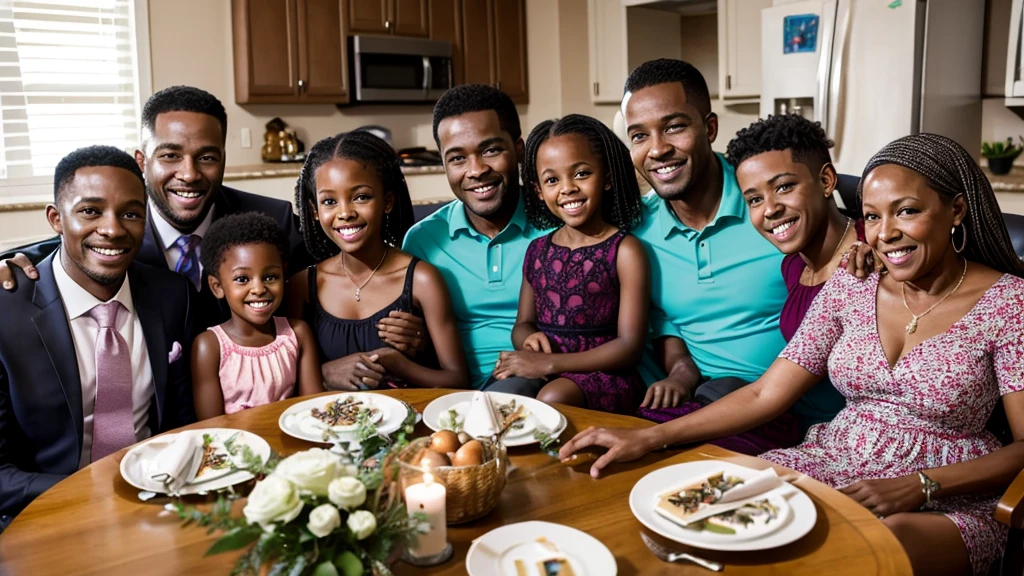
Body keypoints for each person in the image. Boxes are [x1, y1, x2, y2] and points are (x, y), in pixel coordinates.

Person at [561, 133, 1024, 576]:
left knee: (872, 546)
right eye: (873, 217)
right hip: (833, 458)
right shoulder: (854, 281)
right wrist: (649, 439)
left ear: (956, 209)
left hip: (952, 491)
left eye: (906, 212)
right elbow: (767, 393)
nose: (886, 234)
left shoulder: (1011, 303)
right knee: (706, 504)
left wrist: (921, 484)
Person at [0, 86, 315, 331]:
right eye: (170, 156)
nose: (189, 174)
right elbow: (69, 247)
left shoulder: (274, 220)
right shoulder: (116, 234)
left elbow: (335, 277)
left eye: (206, 157)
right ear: (142, 162)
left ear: (222, 159)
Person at [0, 146, 195, 527]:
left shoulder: (173, 296)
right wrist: (100, 491)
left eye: (131, 214)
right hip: (48, 514)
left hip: (159, 505)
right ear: (56, 219)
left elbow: (183, 423)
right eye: (90, 211)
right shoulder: (6, 313)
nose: (113, 229)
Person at [624, 59, 801, 453]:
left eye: (674, 126)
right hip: (706, 402)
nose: (657, 149)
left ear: (710, 128)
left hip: (795, 412)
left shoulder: (770, 206)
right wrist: (681, 367)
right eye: (639, 136)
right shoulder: (636, 233)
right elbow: (663, 315)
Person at [286, 130, 468, 390]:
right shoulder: (301, 287)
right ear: (315, 212)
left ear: (387, 202)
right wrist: (324, 372)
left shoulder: (422, 280)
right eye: (329, 201)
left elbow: (458, 381)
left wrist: (396, 362)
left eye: (361, 197)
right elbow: (283, 379)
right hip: (327, 426)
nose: (345, 212)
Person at [493, 115, 648, 413]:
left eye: (581, 174)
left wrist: (550, 362)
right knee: (501, 396)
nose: (567, 188)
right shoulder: (537, 250)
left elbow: (630, 346)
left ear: (607, 177)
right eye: (552, 180)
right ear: (539, 191)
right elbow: (522, 324)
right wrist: (529, 341)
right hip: (546, 367)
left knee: (552, 400)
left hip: (605, 374)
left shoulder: (625, 250)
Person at [402, 84, 548, 393]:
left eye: (491, 150)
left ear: (519, 151)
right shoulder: (422, 241)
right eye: (457, 158)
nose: (476, 170)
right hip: (450, 392)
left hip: (539, 382)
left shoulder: (558, 225)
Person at [726, 114, 862, 431]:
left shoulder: (874, 255)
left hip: (854, 435)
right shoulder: (793, 265)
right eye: (755, 199)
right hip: (795, 422)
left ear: (826, 181)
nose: (770, 209)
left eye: (784, 187)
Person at [191, 213, 322, 420]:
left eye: (270, 277)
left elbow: (314, 411)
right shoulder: (209, 347)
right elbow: (210, 428)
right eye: (242, 279)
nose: (259, 289)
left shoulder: (297, 333)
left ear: (284, 276)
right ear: (217, 287)